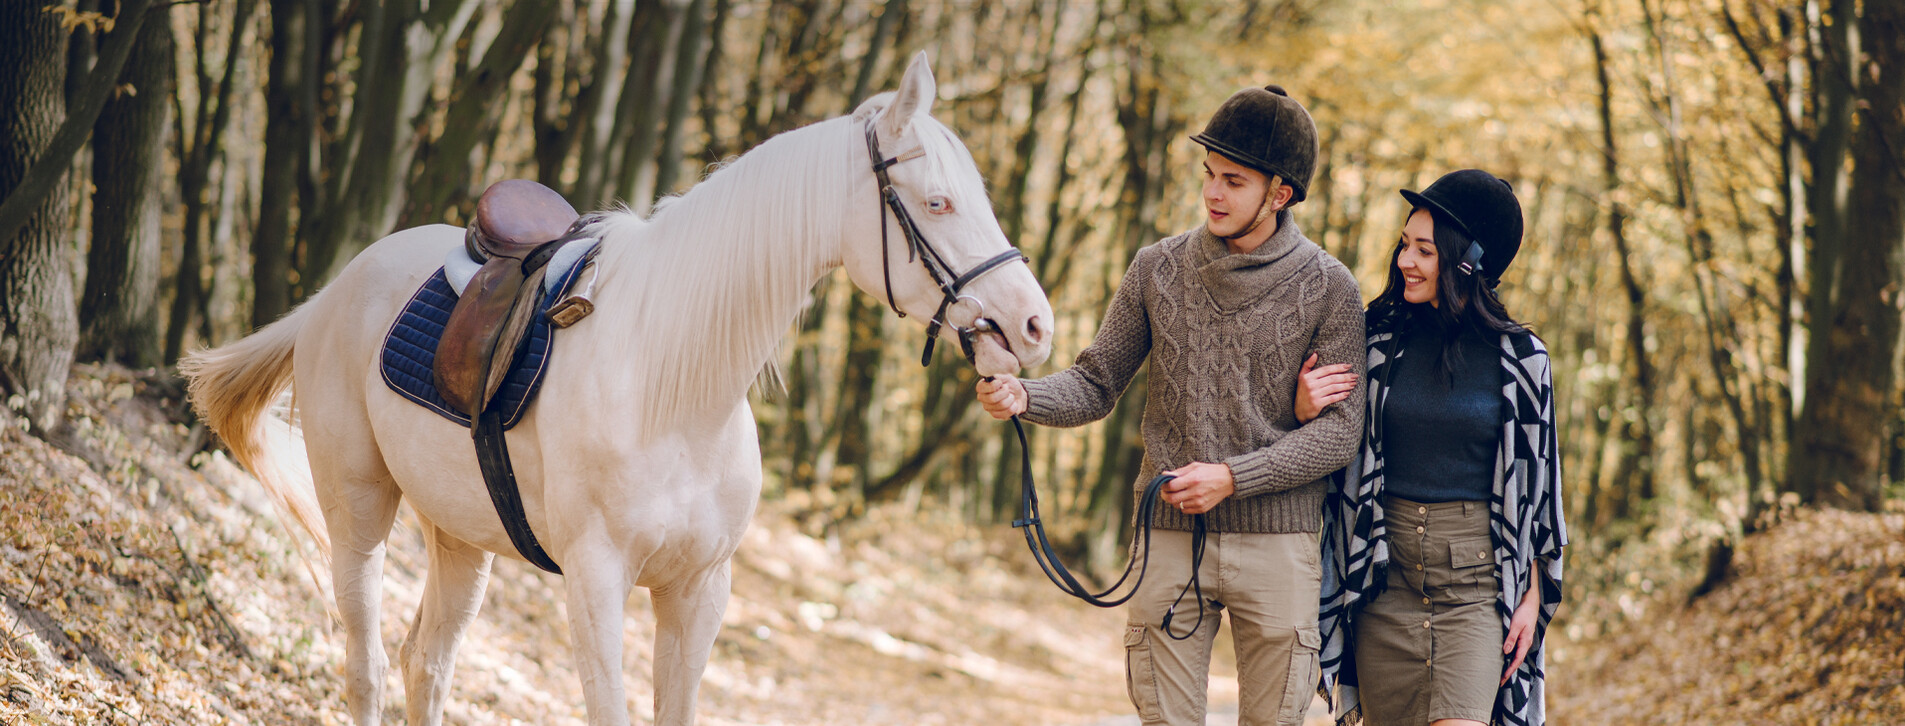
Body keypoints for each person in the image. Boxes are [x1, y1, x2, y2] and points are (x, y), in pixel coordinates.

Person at [976, 85, 1367, 726]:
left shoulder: (1331, 287)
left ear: (1281, 193)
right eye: (1208, 175)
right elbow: (1098, 381)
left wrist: (1233, 478)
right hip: (1167, 537)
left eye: (1233, 181)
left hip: (1280, 546)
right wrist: (1027, 395)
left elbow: (1339, 435)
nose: (1212, 193)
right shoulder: (1156, 267)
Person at [1308, 169, 1567, 726]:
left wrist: (1532, 597)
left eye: (1425, 250)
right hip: (1384, 581)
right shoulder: (1373, 341)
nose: (1406, 261)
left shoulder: (1522, 361)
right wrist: (1305, 407)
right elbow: (1326, 443)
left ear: (1468, 263)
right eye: (1405, 244)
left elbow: (1542, 492)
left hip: (1476, 590)